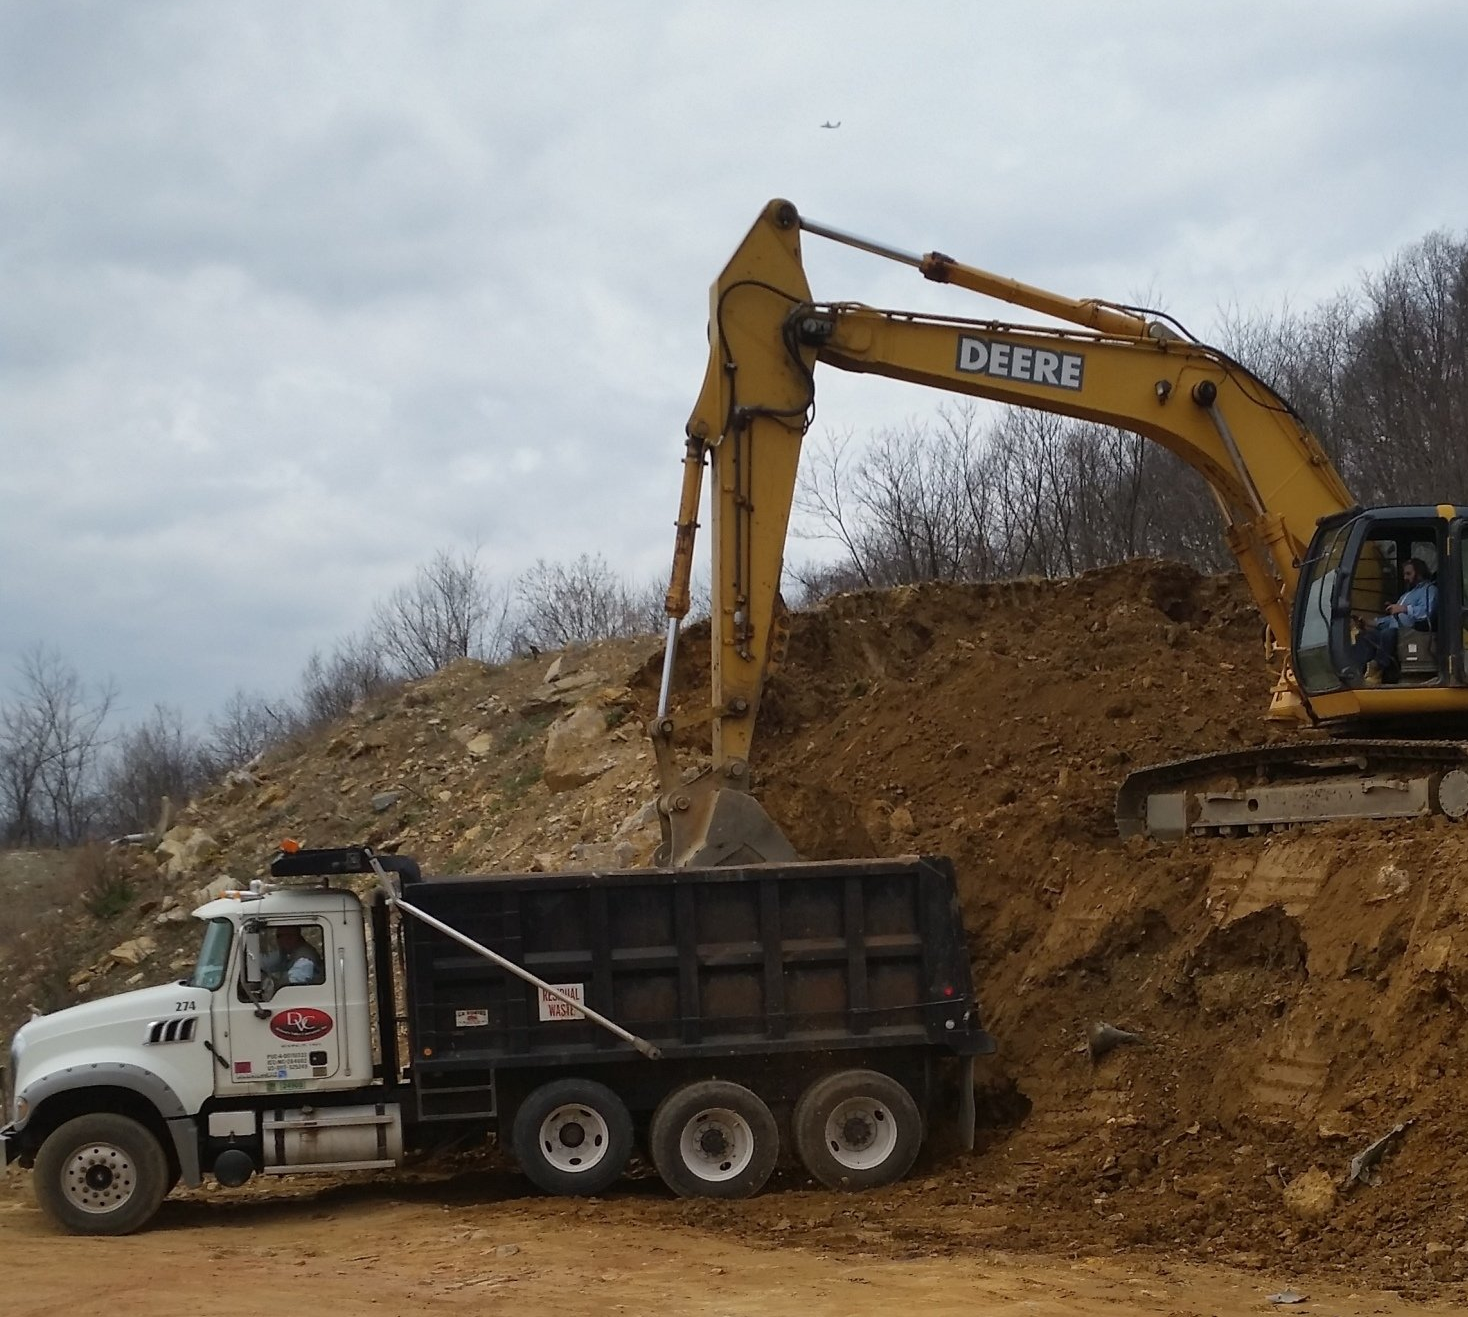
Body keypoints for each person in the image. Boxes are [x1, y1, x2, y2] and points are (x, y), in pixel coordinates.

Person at [1351, 556, 1438, 685]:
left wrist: (1403, 609)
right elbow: (1392, 620)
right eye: (1404, 574)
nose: (1405, 578)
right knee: (1367, 636)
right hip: (1398, 630)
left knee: (1389, 633)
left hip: (1415, 632)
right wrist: (1369, 623)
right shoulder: (1406, 595)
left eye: (1409, 574)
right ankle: (1359, 671)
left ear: (1419, 573)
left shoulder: (1429, 591)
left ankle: (1378, 667)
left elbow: (1426, 613)